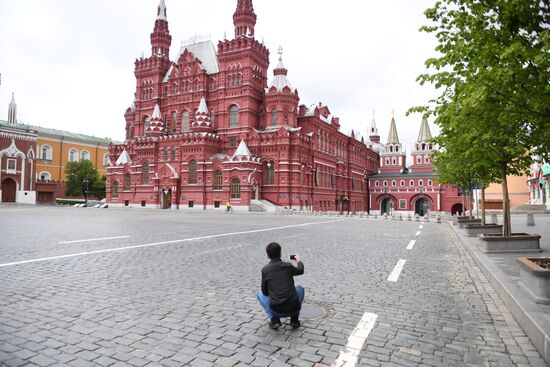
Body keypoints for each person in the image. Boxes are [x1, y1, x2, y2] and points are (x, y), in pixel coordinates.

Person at [257, 242, 304, 329]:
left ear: (267, 255)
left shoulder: (265, 270)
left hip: (276, 308)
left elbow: (264, 291)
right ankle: (294, 320)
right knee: (300, 289)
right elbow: (300, 270)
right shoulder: (288, 266)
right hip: (294, 306)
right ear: (280, 253)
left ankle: (274, 320)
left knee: (259, 293)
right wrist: (298, 260)